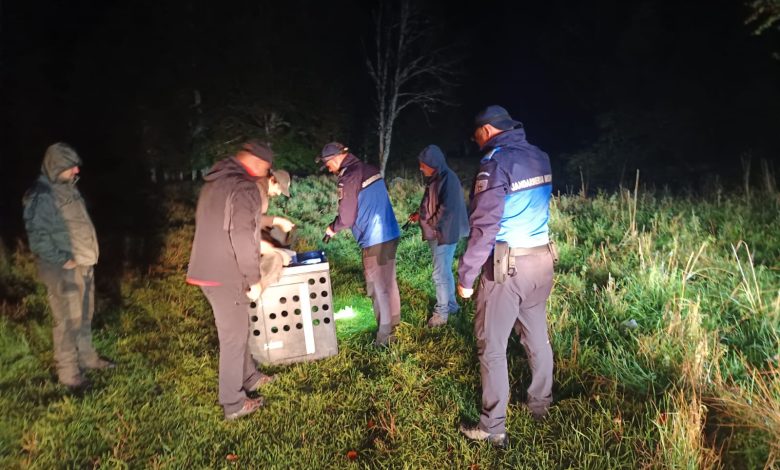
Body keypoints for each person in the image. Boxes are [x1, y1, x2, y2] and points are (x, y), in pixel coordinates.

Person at [457, 106, 555, 447]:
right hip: (542, 261)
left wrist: (467, 276)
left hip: (507, 269)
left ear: (486, 130)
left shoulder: (495, 163)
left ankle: (493, 427)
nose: (475, 141)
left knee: (492, 345)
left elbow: (484, 227)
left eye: (476, 135)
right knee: (537, 337)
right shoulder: (539, 156)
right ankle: (541, 404)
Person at [186, 140, 293, 421]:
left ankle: (250, 377)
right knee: (233, 338)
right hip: (225, 272)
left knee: (239, 329)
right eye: (266, 169)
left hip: (208, 269)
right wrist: (253, 277)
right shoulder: (244, 187)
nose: (266, 174)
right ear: (257, 163)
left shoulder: (217, 181)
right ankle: (233, 403)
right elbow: (242, 235)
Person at [22, 142, 114, 391]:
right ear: (56, 166)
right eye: (71, 166)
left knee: (84, 316)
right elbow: (38, 237)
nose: (76, 171)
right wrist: (64, 259)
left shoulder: (69, 189)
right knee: (67, 322)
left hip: (83, 264)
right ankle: (69, 373)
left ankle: (88, 358)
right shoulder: (41, 195)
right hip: (63, 270)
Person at [318, 142, 401, 346]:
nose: (328, 169)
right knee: (389, 282)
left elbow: (346, 217)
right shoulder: (370, 169)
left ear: (335, 158)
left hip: (374, 239)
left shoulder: (348, 177)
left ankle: (385, 338)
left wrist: (333, 228)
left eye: (327, 164)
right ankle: (394, 325)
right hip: (390, 233)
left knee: (377, 286)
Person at [407, 145, 469, 327]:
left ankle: (441, 314)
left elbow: (446, 209)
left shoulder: (447, 179)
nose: (420, 168)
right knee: (445, 271)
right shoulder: (437, 177)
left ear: (432, 163)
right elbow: (433, 203)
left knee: (439, 274)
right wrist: (420, 215)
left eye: (423, 164)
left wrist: (430, 224)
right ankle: (452, 306)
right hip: (441, 232)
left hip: (443, 234)